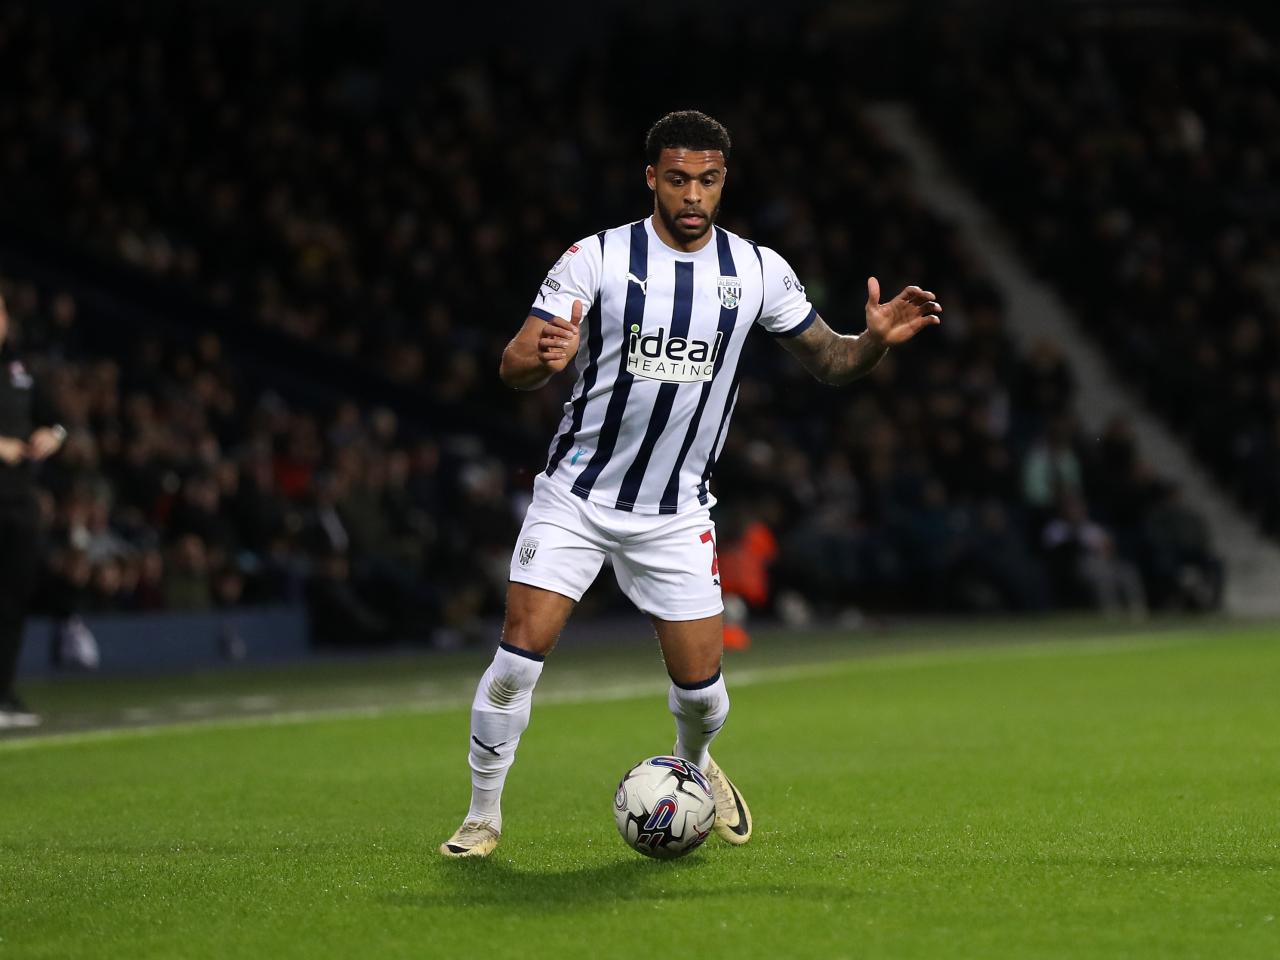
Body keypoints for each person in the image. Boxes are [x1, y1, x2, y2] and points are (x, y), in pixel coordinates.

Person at [440, 110, 942, 857]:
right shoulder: (597, 259)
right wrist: (541, 359)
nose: (692, 195)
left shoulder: (757, 270)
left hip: (676, 513)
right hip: (576, 497)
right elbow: (514, 364)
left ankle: (698, 765)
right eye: (677, 179)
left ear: (723, 181)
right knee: (517, 657)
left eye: (707, 180)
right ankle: (483, 816)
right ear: (652, 177)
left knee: (703, 695)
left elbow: (830, 362)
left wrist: (869, 342)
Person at [0, 291, 67, 728]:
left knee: (12, 599)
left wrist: (52, 436)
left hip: (18, 501)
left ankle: (3, 694)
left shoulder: (19, 368)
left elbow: (57, 419)